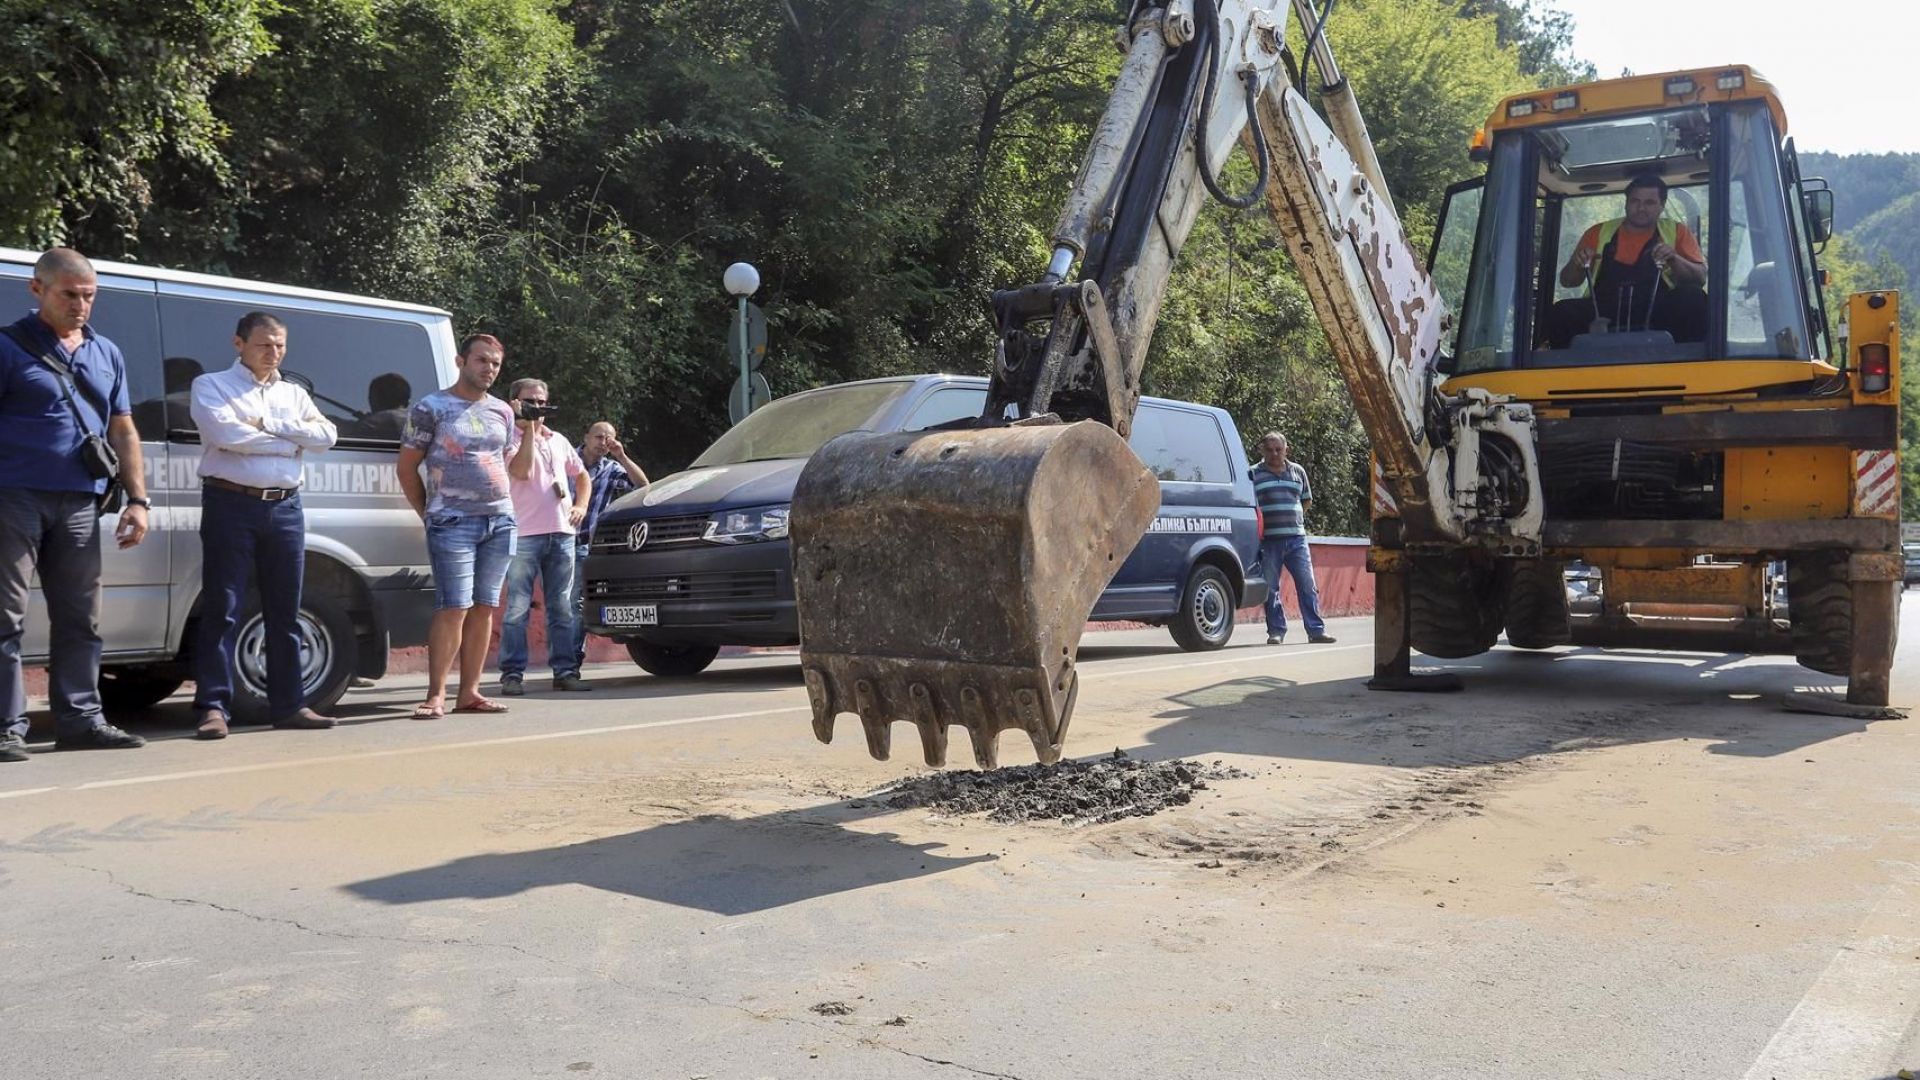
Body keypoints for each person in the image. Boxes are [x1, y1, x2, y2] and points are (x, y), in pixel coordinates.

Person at [0, 248, 152, 761]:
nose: (81, 305)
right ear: (37, 289)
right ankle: (5, 726)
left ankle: (81, 719)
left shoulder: (106, 352)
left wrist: (138, 499)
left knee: (81, 616)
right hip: (13, 497)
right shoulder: (8, 347)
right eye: (70, 294)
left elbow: (123, 428)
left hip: (83, 502)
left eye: (89, 296)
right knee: (5, 616)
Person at [187, 311, 340, 740]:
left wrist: (269, 423)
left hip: (286, 507)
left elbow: (327, 436)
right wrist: (294, 438)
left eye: (280, 346)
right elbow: (227, 436)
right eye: (264, 344)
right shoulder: (212, 385)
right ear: (239, 344)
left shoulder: (292, 393)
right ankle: (214, 707)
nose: (273, 353)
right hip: (230, 503)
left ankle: (289, 704)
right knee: (224, 606)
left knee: (285, 609)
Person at [396, 334, 522, 719]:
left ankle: (469, 692)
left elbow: (508, 464)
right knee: (454, 607)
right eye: (482, 361)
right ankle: (436, 695)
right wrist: (429, 513)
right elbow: (406, 468)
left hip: (500, 521)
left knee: (484, 608)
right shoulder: (431, 407)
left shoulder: (503, 411)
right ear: (461, 361)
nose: (489, 369)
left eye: (496, 364)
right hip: (452, 521)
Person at [497, 379, 592, 695]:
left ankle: (565, 671)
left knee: (562, 607)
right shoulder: (507, 437)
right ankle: (512, 675)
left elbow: (581, 475)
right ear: (514, 402)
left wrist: (580, 505)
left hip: (562, 533)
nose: (537, 407)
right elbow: (521, 472)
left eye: (541, 401)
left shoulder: (559, 440)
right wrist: (525, 429)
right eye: (529, 401)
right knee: (517, 608)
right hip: (524, 534)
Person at [1545, 174, 1708, 349]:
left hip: (1658, 310)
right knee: (1562, 312)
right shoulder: (1598, 232)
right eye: (1635, 201)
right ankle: (1564, 372)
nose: (1641, 208)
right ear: (1626, 203)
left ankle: (1692, 365)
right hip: (1604, 310)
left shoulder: (1677, 231)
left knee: (1693, 297)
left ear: (1662, 206)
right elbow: (1568, 281)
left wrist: (1674, 258)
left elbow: (1699, 279)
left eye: (1649, 203)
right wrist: (1577, 264)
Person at [571, 421, 648, 671]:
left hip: (585, 545)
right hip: (554, 540)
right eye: (599, 437)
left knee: (576, 604)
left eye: (609, 438)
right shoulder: (566, 459)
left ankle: (570, 660)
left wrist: (622, 456)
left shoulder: (611, 469)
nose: (603, 442)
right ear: (586, 437)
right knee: (557, 604)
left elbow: (643, 486)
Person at [1250, 432, 1334, 646]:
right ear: (1262, 451)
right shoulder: (1252, 474)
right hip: (1269, 541)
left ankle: (1316, 630)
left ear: (1286, 449)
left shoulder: (1298, 471)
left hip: (1297, 540)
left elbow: (1306, 501)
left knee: (1307, 585)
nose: (1274, 454)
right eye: (1269, 450)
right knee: (1270, 588)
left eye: (1278, 449)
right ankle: (1276, 631)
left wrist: (1293, 520)